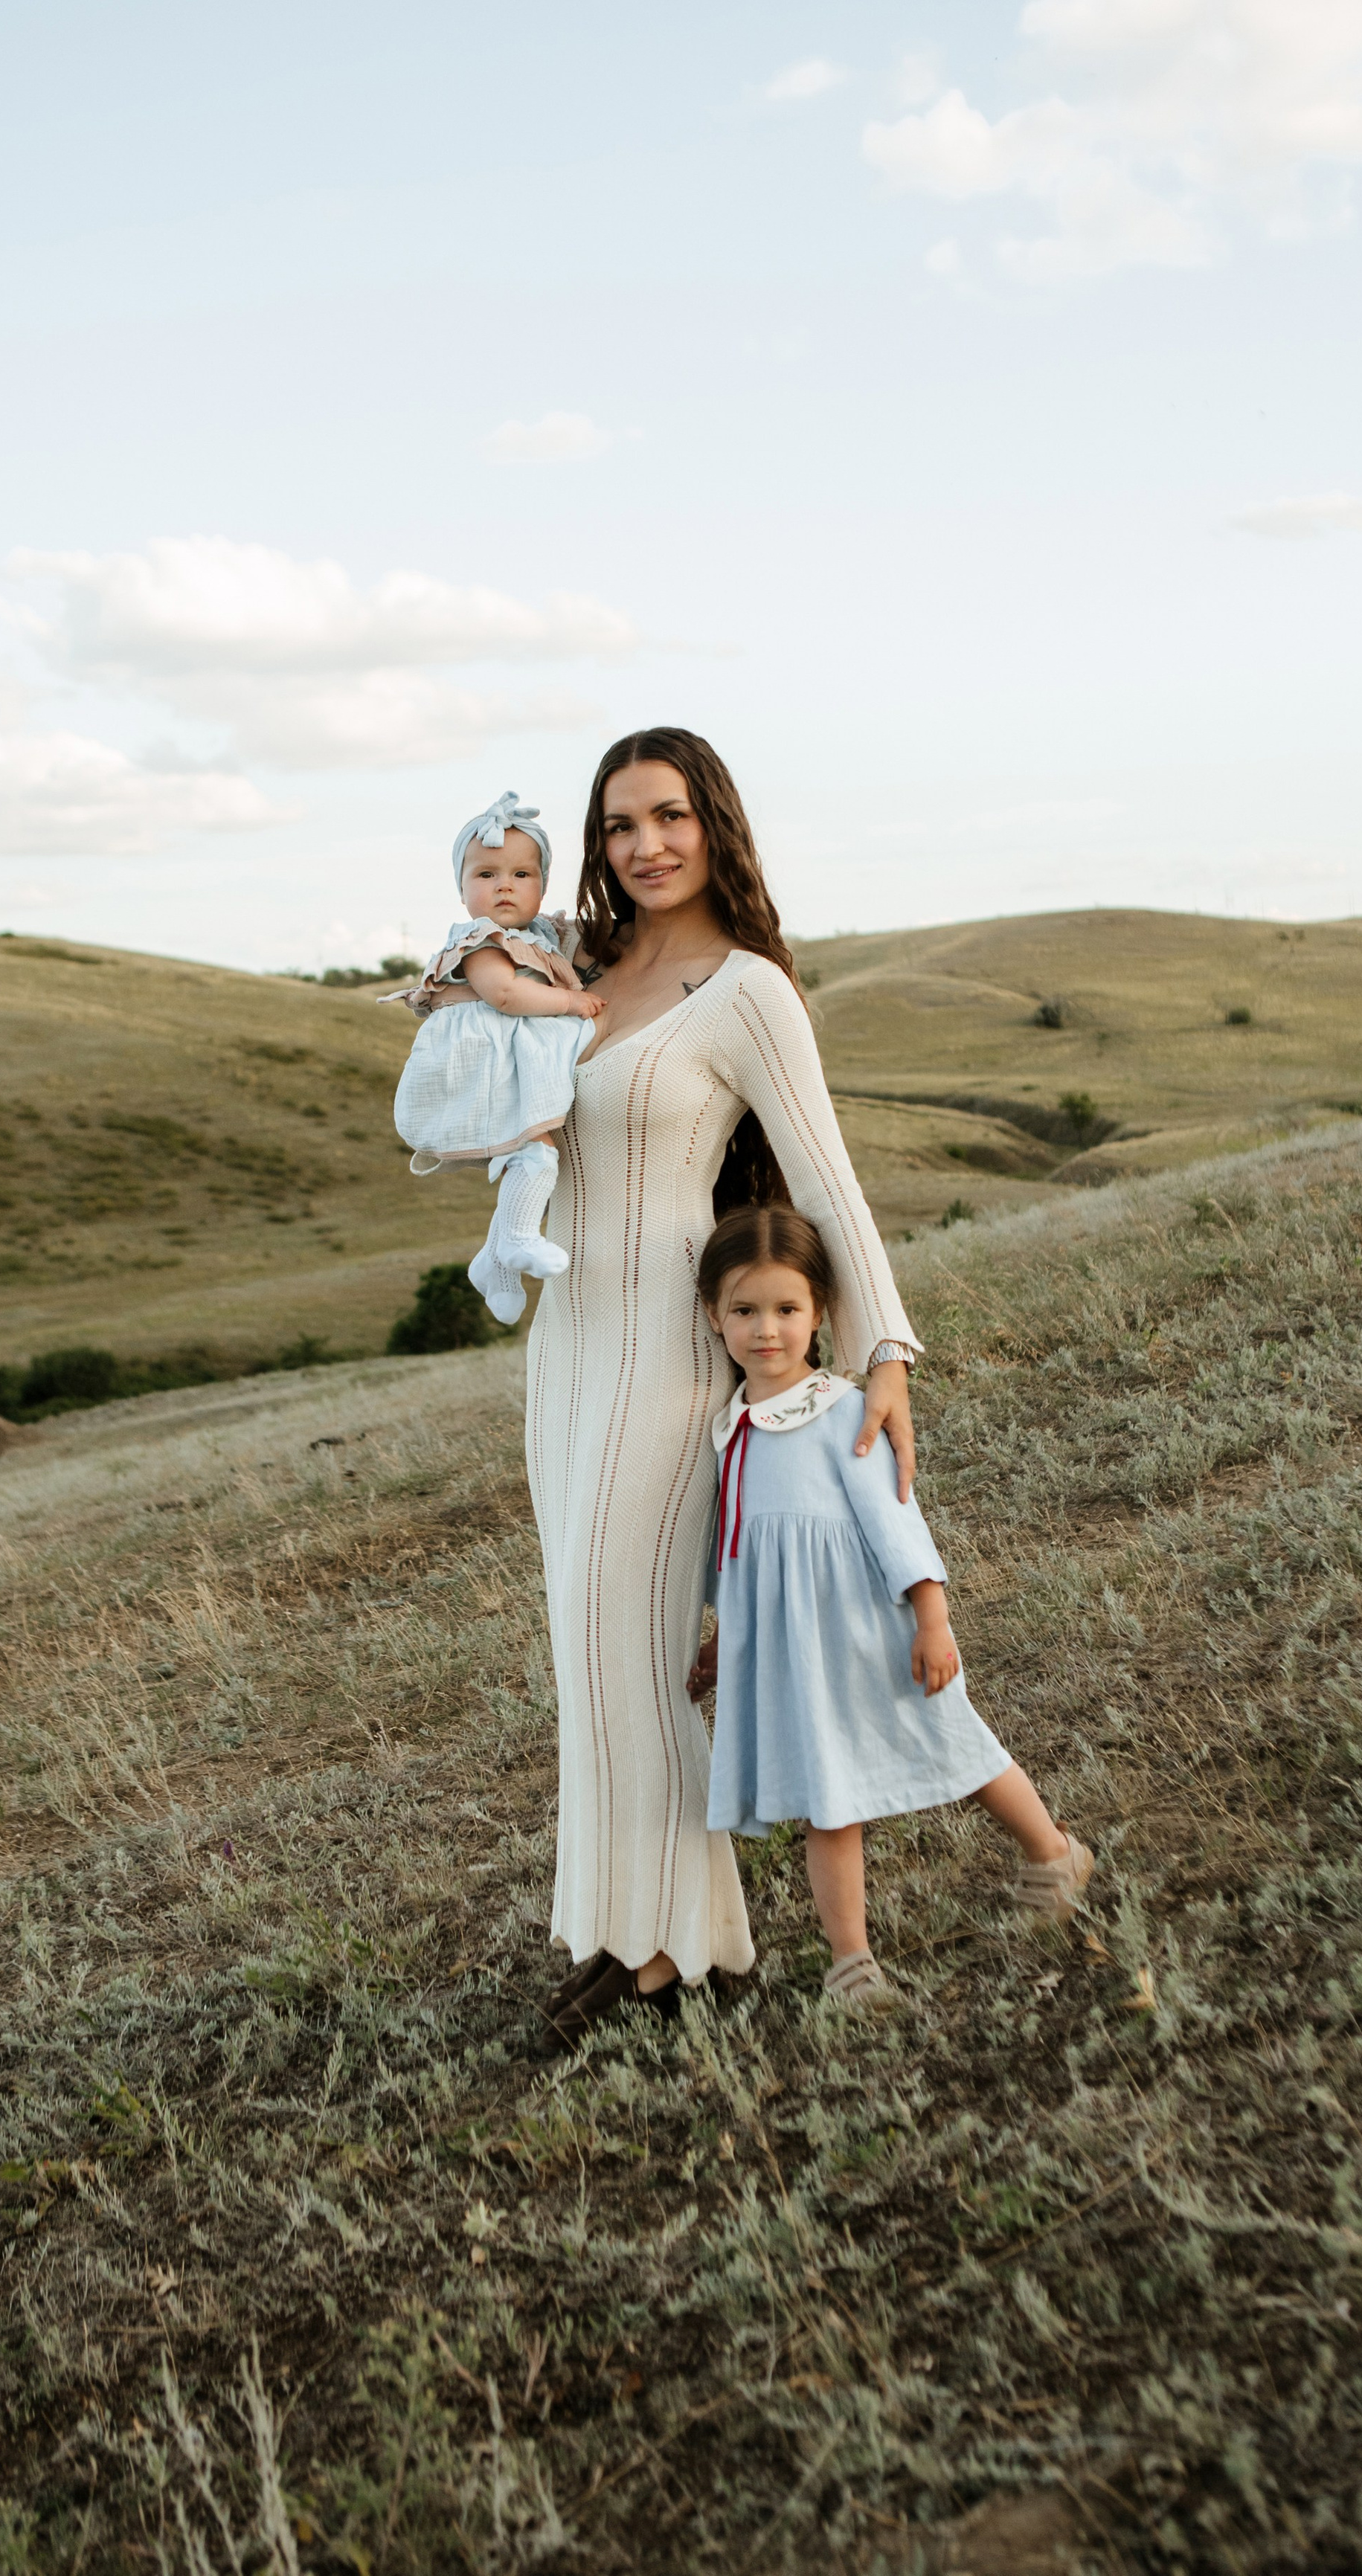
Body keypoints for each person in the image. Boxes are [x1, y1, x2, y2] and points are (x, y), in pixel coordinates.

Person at [533, 728, 921, 2052]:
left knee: (626, 1644)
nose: (644, 846)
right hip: (563, 1350)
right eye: (619, 824)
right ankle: (621, 1933)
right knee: (585, 1660)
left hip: (664, 1348)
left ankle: (681, 1958)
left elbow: (824, 1181)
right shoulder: (575, 971)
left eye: (669, 816)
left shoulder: (744, 988)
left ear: (716, 825)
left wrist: (884, 1352)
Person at [689, 1202, 1093, 2007]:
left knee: (955, 1743)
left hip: (871, 1628)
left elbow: (895, 1519)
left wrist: (932, 1618)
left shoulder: (845, 1409)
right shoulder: (726, 1429)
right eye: (744, 1310)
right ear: (714, 1315)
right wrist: (723, 1632)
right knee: (825, 1800)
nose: (765, 1330)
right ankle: (852, 1964)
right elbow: (736, 1546)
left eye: (786, 1309)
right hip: (790, 1651)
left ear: (820, 1312)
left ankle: (1054, 1852)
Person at [388, 790, 605, 1324]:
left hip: (513, 1057)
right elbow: (505, 996)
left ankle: (496, 1262)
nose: (504, 885)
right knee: (534, 1153)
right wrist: (571, 1002)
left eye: (521, 874)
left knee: (527, 1154)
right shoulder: (480, 941)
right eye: (486, 874)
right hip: (484, 1062)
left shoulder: (539, 936)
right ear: (462, 890)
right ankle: (518, 1239)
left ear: (543, 884)